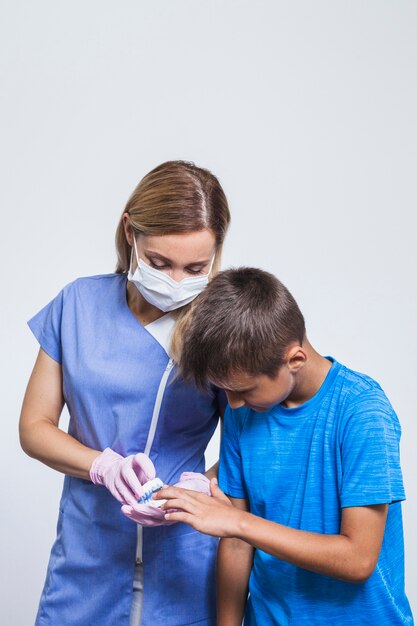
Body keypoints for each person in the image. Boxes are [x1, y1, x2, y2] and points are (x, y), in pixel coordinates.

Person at [19, 160, 231, 626]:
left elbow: (247, 446)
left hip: (184, 559)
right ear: (131, 232)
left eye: (196, 267)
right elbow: (34, 428)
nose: (176, 282)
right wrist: (102, 465)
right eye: (160, 263)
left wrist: (201, 486)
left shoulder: (220, 329)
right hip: (87, 555)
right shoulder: (77, 305)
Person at [156, 268, 414, 625]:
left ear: (294, 360)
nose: (231, 404)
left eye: (243, 390)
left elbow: (358, 559)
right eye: (225, 390)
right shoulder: (244, 413)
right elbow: (234, 540)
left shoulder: (362, 411)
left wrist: (238, 522)